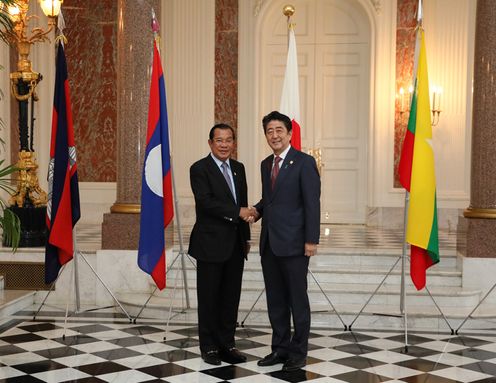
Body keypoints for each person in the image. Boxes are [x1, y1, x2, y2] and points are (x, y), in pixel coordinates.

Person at [253, 111, 321, 372]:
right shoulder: (264, 164)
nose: (275, 135)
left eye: (279, 130)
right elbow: (270, 200)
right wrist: (255, 211)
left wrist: (311, 240)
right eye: (270, 131)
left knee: (297, 300)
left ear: (290, 133)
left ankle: (298, 352)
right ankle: (279, 349)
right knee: (276, 300)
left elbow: (311, 203)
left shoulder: (304, 162)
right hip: (270, 243)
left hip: (294, 244)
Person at [188, 123, 253, 366]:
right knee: (209, 297)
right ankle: (209, 347)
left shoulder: (239, 168)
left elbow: (243, 202)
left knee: (230, 297)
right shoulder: (199, 169)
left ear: (233, 142)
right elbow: (206, 203)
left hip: (235, 244)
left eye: (228, 140)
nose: (224, 144)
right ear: (210, 143)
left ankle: (227, 344)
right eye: (219, 140)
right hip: (210, 243)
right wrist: (239, 212)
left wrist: (245, 237)